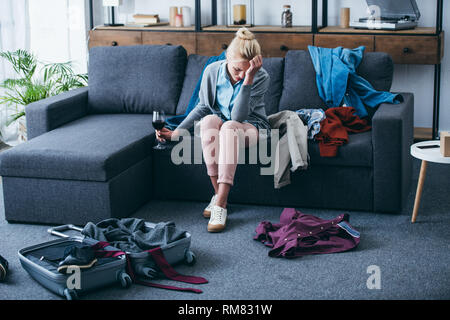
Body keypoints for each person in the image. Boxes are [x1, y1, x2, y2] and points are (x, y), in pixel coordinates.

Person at [156, 28, 271, 233]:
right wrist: (177, 132)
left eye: (246, 70)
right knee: (209, 120)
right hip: (223, 123)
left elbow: (238, 118)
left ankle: (219, 204)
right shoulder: (212, 71)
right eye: (237, 70)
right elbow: (202, 106)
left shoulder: (260, 77)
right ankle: (220, 197)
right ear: (227, 58)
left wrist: (248, 80)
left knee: (228, 126)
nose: (240, 75)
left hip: (251, 127)